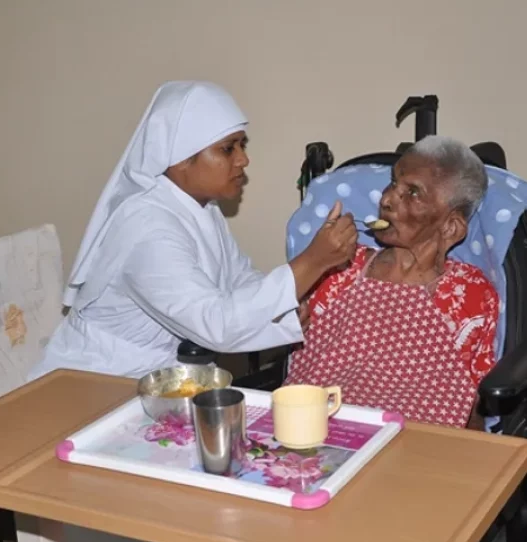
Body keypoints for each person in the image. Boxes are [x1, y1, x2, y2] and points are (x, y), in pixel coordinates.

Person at [29, 81, 357, 382]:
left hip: (162, 375)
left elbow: (237, 278)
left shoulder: (200, 209)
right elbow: (215, 325)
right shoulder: (148, 229)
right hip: (99, 379)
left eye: (242, 145)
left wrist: (283, 309)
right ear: (179, 159)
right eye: (228, 148)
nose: (244, 159)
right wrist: (312, 262)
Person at [284, 136, 499, 430]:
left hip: (416, 446)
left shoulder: (471, 293)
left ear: (450, 227)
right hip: (316, 429)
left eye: (412, 193)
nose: (386, 199)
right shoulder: (338, 266)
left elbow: (476, 400)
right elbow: (290, 330)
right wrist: (292, 317)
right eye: (393, 183)